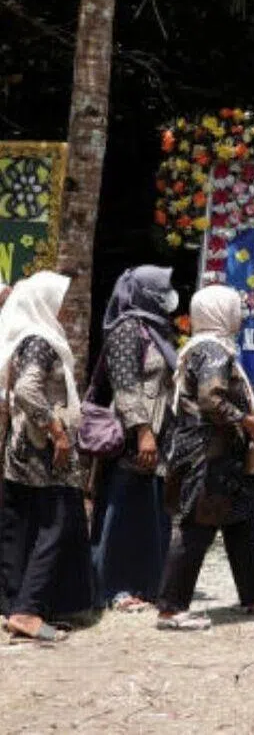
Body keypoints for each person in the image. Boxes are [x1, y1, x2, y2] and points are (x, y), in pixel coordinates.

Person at [155, 285, 254, 630]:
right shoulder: (213, 352)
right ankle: (171, 608)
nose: (240, 315)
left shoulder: (200, 348)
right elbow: (211, 399)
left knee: (242, 522)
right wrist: (250, 422)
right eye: (235, 309)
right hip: (210, 457)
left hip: (215, 455)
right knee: (197, 529)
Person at [0, 271, 96, 641]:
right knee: (57, 524)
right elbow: (27, 389)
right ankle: (27, 611)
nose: (64, 310)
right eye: (58, 302)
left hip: (22, 451)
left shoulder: (23, 338)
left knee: (20, 524)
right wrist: (57, 430)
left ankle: (14, 603)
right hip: (44, 452)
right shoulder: (40, 340)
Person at [89, 266, 179, 610]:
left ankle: (145, 584)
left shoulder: (154, 329)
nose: (166, 295)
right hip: (134, 438)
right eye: (160, 289)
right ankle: (115, 587)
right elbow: (125, 387)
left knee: (149, 512)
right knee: (122, 510)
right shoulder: (127, 330)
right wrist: (143, 432)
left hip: (159, 436)